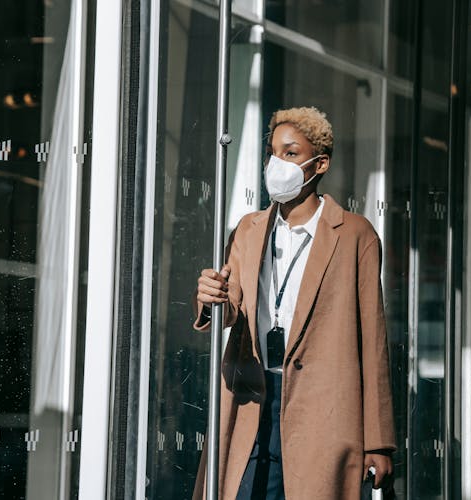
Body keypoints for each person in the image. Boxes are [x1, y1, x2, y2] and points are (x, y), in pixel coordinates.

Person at [193, 106, 395, 499]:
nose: (276, 163)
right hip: (252, 399)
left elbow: (373, 341)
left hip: (325, 410)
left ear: (319, 164)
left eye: (290, 153)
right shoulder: (249, 230)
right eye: (273, 152)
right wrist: (210, 297)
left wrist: (379, 441)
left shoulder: (355, 235)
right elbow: (230, 307)